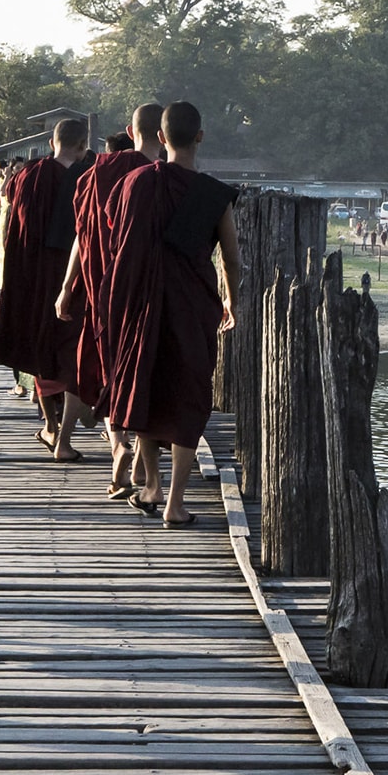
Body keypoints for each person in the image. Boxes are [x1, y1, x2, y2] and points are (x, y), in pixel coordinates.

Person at [103, 101, 242, 529]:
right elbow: (231, 260)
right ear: (200, 137)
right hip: (193, 306)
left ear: (160, 138)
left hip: (141, 305)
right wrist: (232, 302)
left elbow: (116, 240)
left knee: (148, 385)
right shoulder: (214, 196)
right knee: (189, 397)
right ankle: (175, 503)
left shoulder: (133, 184)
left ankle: (152, 486)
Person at [57, 103, 164, 498]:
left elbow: (82, 236)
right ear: (164, 135)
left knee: (106, 368)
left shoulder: (97, 173)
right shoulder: (164, 178)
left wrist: (67, 287)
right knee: (142, 371)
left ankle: (118, 444)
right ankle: (139, 456)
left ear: (129, 129)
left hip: (101, 291)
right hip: (149, 293)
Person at [0, 117, 94, 460]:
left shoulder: (27, 176)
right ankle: (65, 431)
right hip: (73, 279)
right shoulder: (85, 179)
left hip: (32, 276)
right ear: (82, 146)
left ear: (51, 143)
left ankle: (50, 425)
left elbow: (10, 229)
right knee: (70, 351)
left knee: (42, 349)